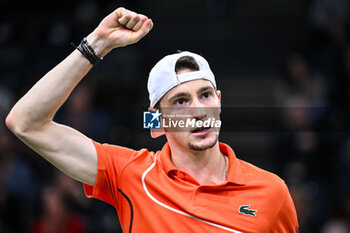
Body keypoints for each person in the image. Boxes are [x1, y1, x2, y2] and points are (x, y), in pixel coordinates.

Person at [6, 7, 299, 233]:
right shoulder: (130, 174)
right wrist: (97, 44)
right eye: (181, 101)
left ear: (219, 103)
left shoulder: (271, 192)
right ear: (157, 123)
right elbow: (25, 122)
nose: (198, 110)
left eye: (205, 95)